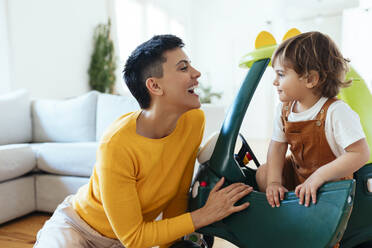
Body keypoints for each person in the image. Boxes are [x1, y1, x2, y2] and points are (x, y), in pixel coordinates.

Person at [34, 34, 253, 248]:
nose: (196, 73)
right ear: (155, 86)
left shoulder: (194, 120)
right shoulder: (117, 144)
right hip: (79, 228)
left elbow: (177, 194)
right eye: (183, 67)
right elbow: (134, 237)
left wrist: (175, 243)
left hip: (124, 242)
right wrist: (202, 216)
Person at [256, 31, 370, 209]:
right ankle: (286, 212)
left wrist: (319, 176)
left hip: (330, 183)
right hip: (298, 173)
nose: (275, 82)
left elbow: (360, 153)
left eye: (281, 74)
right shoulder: (284, 109)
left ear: (310, 79)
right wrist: (274, 182)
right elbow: (277, 146)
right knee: (263, 173)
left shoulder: (336, 111)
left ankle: (308, 221)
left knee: (321, 204)